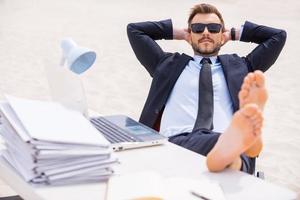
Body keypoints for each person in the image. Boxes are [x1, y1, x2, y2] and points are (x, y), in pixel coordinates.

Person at [127, 3, 286, 174]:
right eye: (197, 28)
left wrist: (233, 34)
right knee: (232, 144)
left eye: (213, 28)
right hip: (177, 142)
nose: (205, 32)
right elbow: (134, 30)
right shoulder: (166, 64)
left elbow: (278, 36)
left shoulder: (242, 67)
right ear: (190, 33)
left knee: (235, 151)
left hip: (232, 142)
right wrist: (179, 33)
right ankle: (240, 145)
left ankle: (233, 150)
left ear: (221, 33)